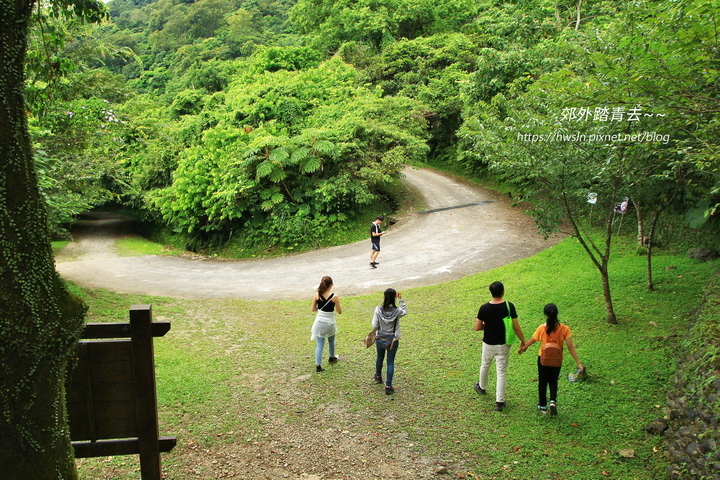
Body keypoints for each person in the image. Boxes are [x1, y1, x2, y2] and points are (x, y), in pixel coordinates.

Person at [519, 303, 583, 415]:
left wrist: (523, 348)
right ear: (557, 313)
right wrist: (578, 363)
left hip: (543, 359)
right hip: (557, 359)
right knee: (553, 380)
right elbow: (570, 347)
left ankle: (542, 405)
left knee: (543, 381)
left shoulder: (542, 328)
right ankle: (553, 401)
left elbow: (533, 340)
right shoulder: (565, 329)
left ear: (545, 314)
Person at [474, 281, 527, 411]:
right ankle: (500, 401)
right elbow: (516, 327)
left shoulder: (484, 308)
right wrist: (523, 341)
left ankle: (482, 387)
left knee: (485, 364)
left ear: (491, 293)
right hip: (503, 344)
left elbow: (477, 327)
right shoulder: (509, 306)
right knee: (501, 371)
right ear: (503, 292)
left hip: (488, 343)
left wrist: (489, 325)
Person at [372, 288, 407, 395]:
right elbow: (405, 311)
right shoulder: (397, 311)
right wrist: (401, 300)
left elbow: (374, 325)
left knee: (380, 357)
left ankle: (378, 376)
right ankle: (388, 385)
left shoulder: (378, 309)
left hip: (380, 338)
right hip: (393, 339)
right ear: (394, 298)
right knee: (390, 362)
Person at [310, 276, 342, 372]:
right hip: (330, 323)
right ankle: (331, 357)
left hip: (319, 322)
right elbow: (339, 311)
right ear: (331, 285)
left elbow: (313, 309)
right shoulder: (334, 297)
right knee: (331, 341)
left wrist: (320, 310)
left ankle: (318, 365)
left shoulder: (317, 295)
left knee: (319, 344)